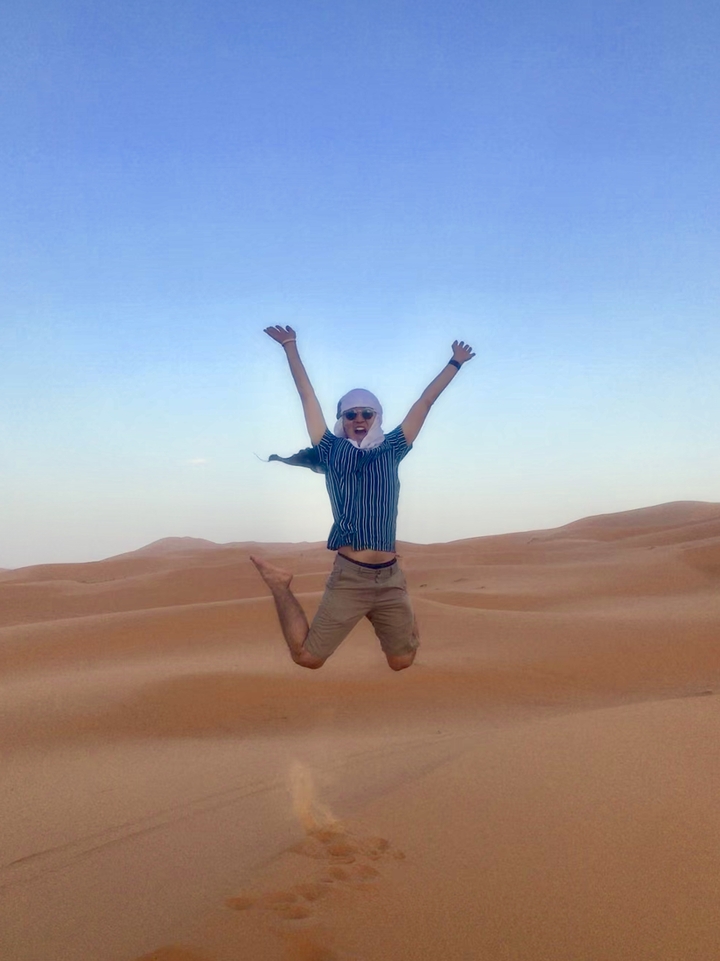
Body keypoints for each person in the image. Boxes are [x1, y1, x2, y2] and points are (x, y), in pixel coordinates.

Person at [250, 325, 475, 671]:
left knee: (402, 661)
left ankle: (397, 605)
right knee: (307, 657)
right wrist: (290, 346)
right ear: (342, 419)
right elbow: (307, 397)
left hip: (390, 577)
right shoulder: (329, 448)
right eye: (350, 413)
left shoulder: (393, 448)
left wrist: (454, 363)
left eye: (366, 413)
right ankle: (280, 585)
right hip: (350, 577)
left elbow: (424, 402)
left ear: (376, 417)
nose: (358, 419)